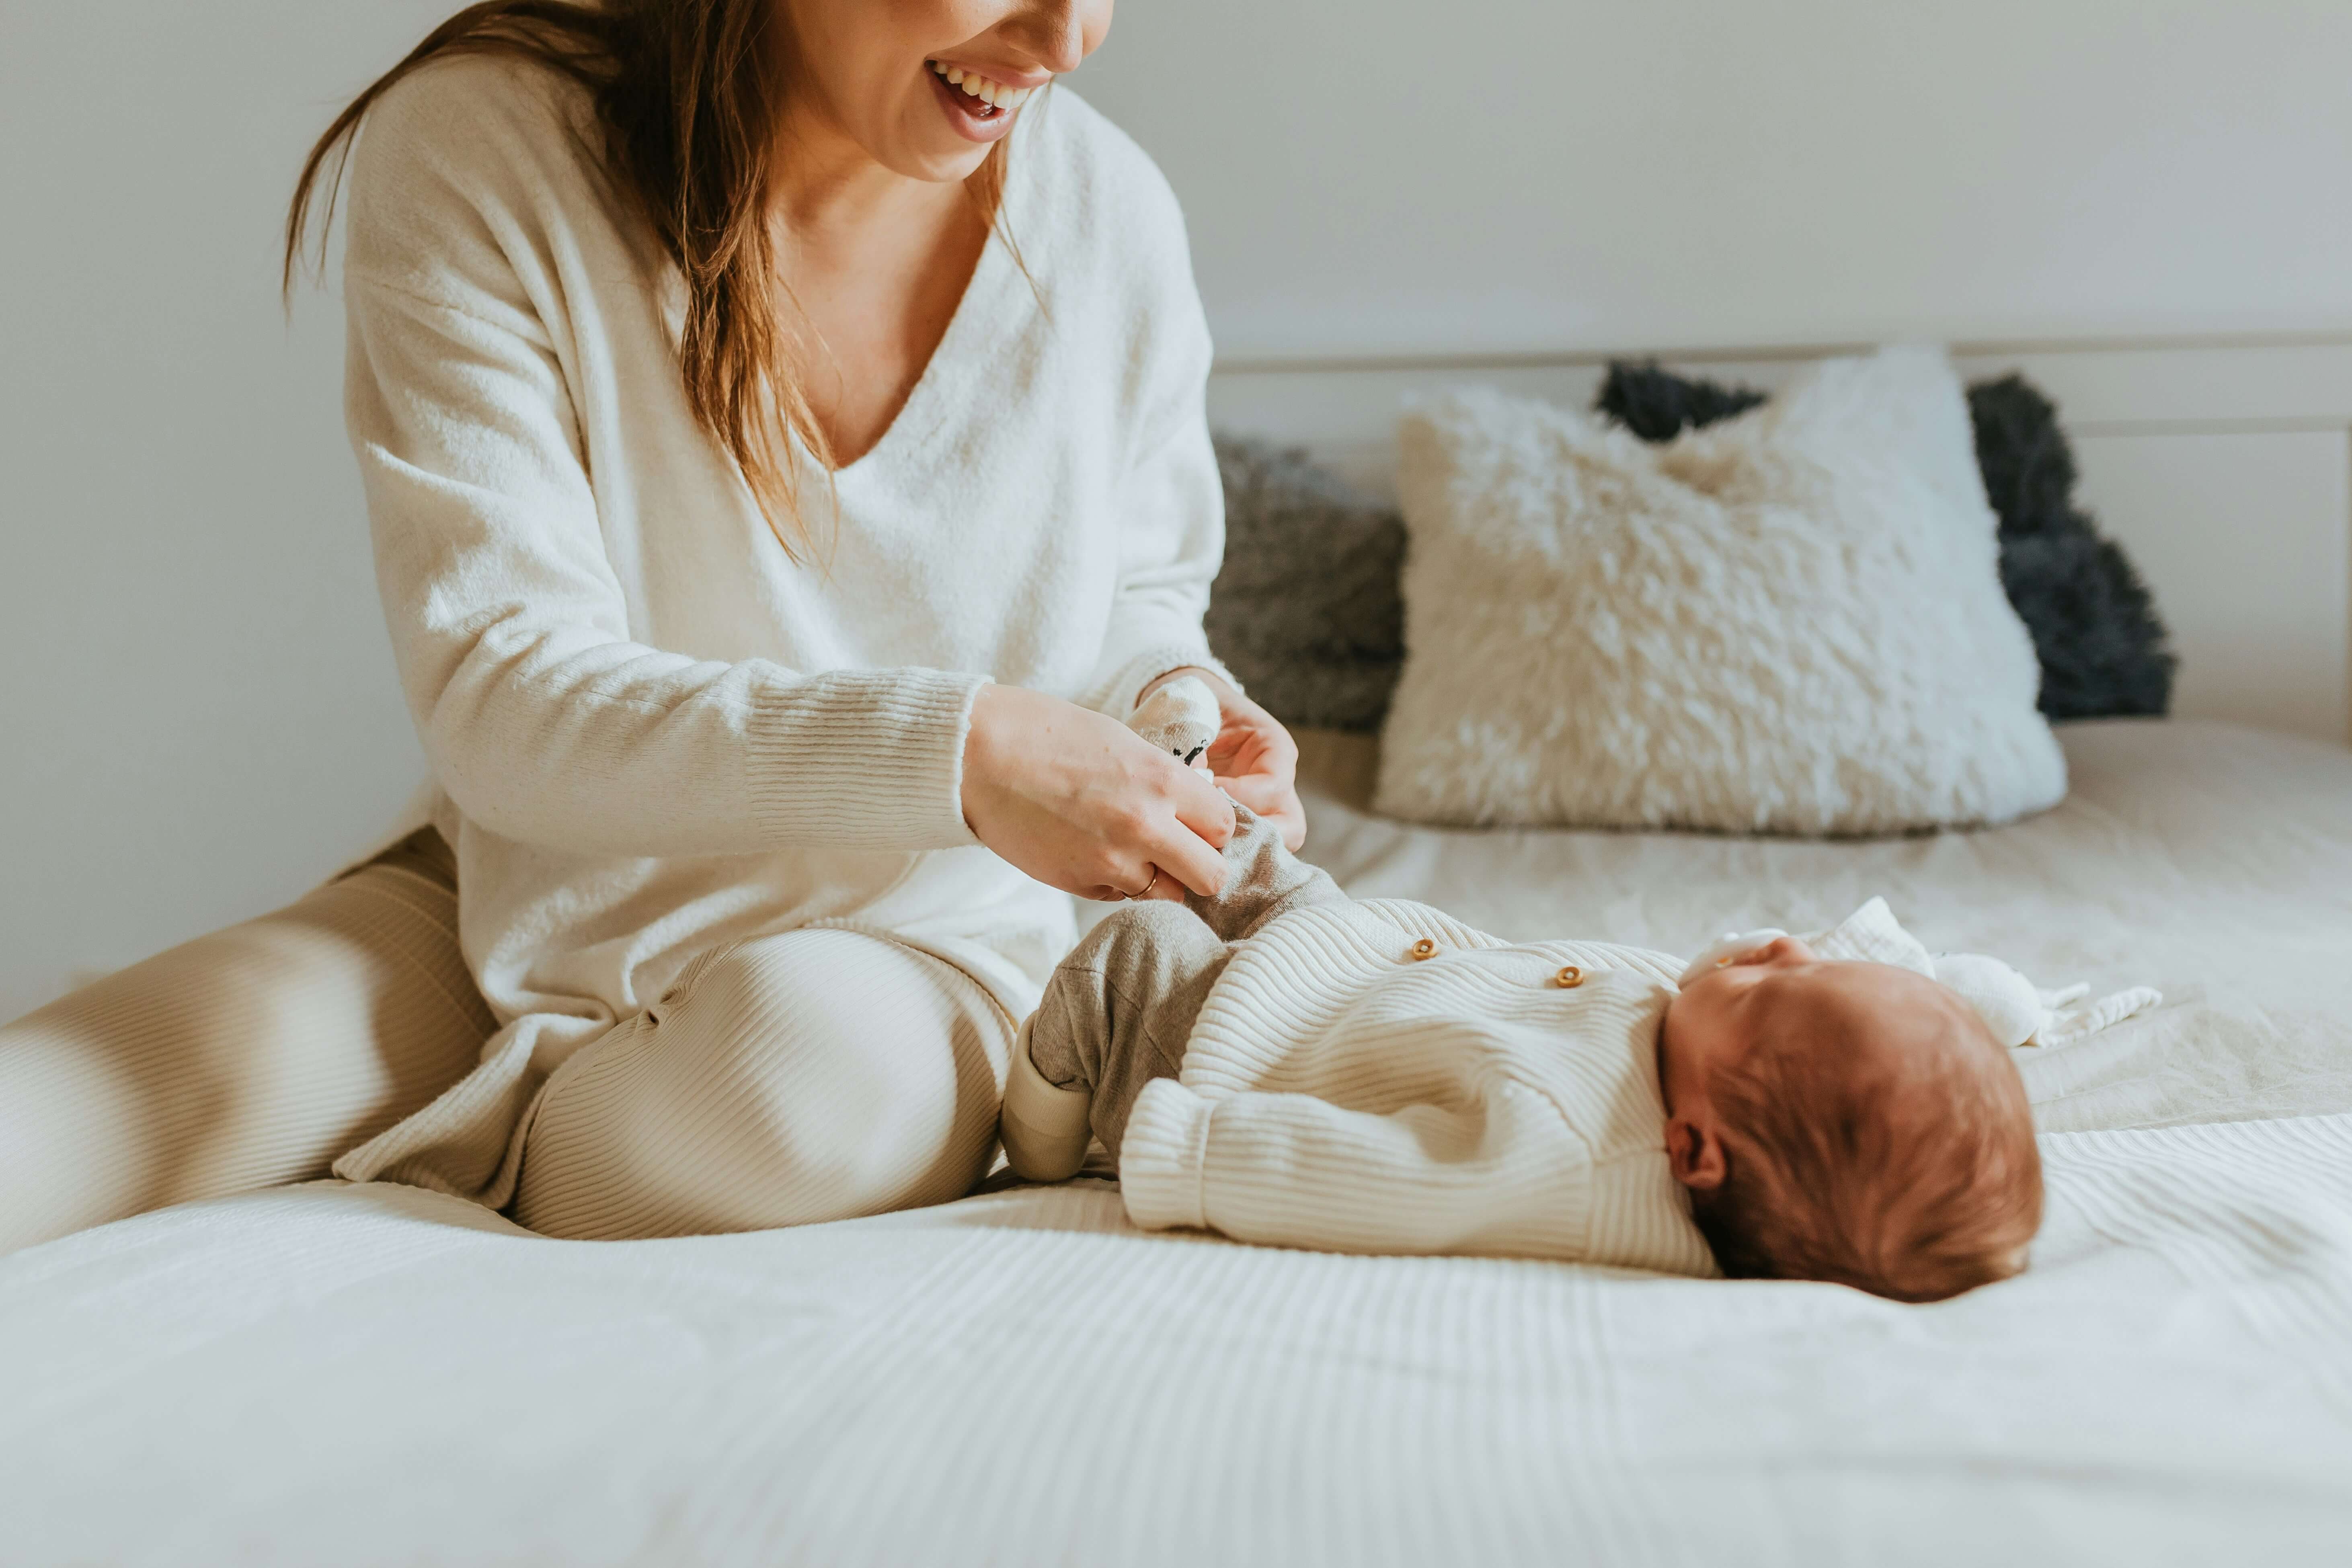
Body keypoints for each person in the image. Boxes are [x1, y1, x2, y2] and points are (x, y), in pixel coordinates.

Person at [0, 0, 1303, 1252]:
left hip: (916, 956)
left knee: (790, 1079)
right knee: (51, 1114)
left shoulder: (1110, 218)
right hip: (516, 910)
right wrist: (967, 754)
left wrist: (1178, 712)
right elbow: (504, 698)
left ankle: (481, 1145)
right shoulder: (484, 142)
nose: (1065, 37)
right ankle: (512, 1108)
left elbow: (1131, 598)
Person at [1003, 812, 2046, 1303]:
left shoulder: (1561, 1162)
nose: (1784, 947)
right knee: (1227, 835)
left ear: (1692, 1150)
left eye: (1779, 988)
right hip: (1353, 955)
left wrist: (1192, 1149)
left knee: (1129, 956)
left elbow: (1382, 1183)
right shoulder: (1710, 1053)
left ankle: (1044, 1136)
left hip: (1243, 1032)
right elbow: (1852, 1046)